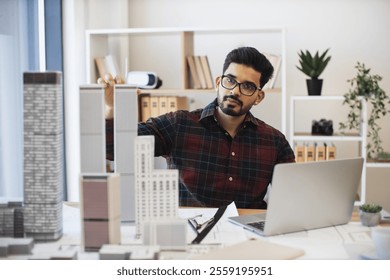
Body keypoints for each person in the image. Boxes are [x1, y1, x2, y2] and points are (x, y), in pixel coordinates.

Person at [106, 46, 295, 209]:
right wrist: (113, 109)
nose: (234, 91)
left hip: (248, 234)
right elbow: (115, 149)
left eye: (247, 86)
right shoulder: (179, 124)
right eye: (230, 80)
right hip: (189, 234)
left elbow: (291, 199)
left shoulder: (274, 141)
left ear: (259, 97)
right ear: (218, 82)